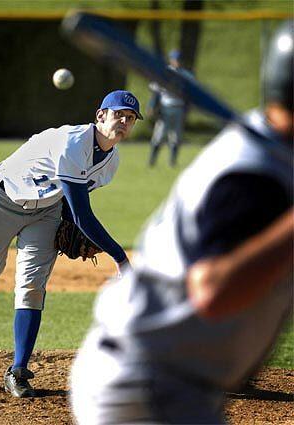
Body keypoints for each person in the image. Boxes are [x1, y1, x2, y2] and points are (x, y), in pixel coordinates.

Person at [70, 20, 293, 424]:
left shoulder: (276, 162)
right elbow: (212, 291)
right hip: (149, 381)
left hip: (167, 379)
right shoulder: (254, 176)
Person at [0, 90, 143, 398]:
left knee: (32, 286)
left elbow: (69, 204)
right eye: (119, 115)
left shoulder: (111, 163)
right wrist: (120, 258)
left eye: (130, 119)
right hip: (5, 199)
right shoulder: (74, 143)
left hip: (47, 211)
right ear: (101, 115)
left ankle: (18, 370)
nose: (124, 122)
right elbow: (82, 215)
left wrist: (69, 227)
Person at [147, 49, 187, 167]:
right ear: (171, 60)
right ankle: (152, 160)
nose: (177, 62)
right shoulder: (164, 73)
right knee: (159, 134)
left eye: (179, 59)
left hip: (179, 108)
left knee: (176, 137)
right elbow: (156, 92)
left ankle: (172, 162)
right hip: (165, 107)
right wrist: (152, 105)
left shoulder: (185, 75)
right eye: (175, 59)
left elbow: (189, 95)